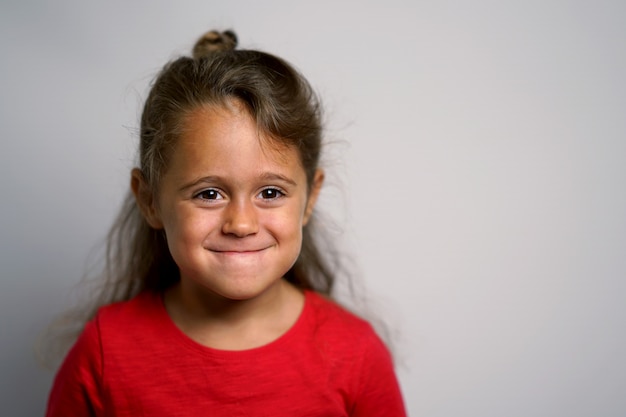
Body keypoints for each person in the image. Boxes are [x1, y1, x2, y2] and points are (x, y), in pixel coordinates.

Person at [45, 29, 407, 416]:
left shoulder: (355, 353)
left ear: (310, 198)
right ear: (150, 200)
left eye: (270, 193)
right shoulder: (104, 352)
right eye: (209, 194)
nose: (241, 224)